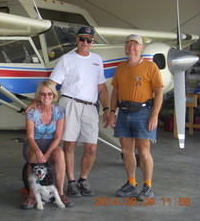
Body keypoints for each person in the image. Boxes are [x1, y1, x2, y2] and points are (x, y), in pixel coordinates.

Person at [26, 26, 110, 197]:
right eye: (82, 39)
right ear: (76, 40)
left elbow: (101, 87)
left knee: (92, 148)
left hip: (91, 106)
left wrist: (108, 109)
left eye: (89, 40)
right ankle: (71, 182)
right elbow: (52, 83)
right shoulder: (66, 59)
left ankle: (83, 180)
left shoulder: (97, 59)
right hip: (70, 103)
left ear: (92, 41)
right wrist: (36, 101)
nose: (85, 42)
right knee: (69, 145)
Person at [107, 34, 163, 200]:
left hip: (143, 113)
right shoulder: (120, 68)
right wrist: (111, 112)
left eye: (135, 44)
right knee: (126, 150)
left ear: (141, 48)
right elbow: (115, 91)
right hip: (123, 112)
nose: (131, 47)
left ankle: (148, 186)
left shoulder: (150, 67)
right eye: (128, 44)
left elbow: (158, 91)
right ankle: (131, 183)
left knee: (144, 150)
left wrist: (154, 115)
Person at [21, 80, 73, 210]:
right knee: (33, 155)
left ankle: (60, 194)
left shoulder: (59, 111)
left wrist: (48, 153)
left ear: (54, 95)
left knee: (60, 154)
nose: (46, 97)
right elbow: (30, 137)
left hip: (51, 144)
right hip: (33, 144)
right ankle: (32, 196)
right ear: (39, 95)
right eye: (43, 94)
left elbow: (58, 137)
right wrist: (39, 152)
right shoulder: (32, 112)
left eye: (49, 94)